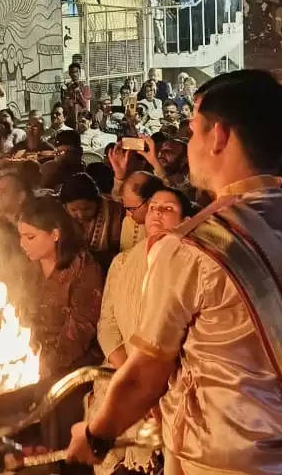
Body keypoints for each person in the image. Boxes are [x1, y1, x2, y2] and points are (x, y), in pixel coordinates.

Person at [67, 70, 282, 475]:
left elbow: (146, 373)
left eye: (194, 129)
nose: (191, 144)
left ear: (218, 135)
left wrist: (94, 434)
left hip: (223, 457)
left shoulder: (195, 246)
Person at [92, 184, 193, 475]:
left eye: (168, 208)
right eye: (152, 207)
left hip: (171, 381)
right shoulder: (122, 263)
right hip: (122, 372)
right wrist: (128, 374)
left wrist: (150, 386)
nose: (157, 213)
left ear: (186, 221)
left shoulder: (191, 266)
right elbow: (108, 327)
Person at [17, 196, 105, 447]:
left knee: (53, 391)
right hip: (36, 350)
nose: (22, 244)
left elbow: (81, 326)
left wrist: (46, 362)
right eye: (21, 236)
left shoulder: (83, 268)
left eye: (30, 237)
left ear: (55, 234)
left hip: (75, 355)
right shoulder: (27, 268)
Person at [59, 172, 124, 268]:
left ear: (98, 202)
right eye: (74, 210)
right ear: (65, 207)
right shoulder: (60, 219)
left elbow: (119, 252)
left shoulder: (114, 212)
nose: (80, 215)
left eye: (87, 209)